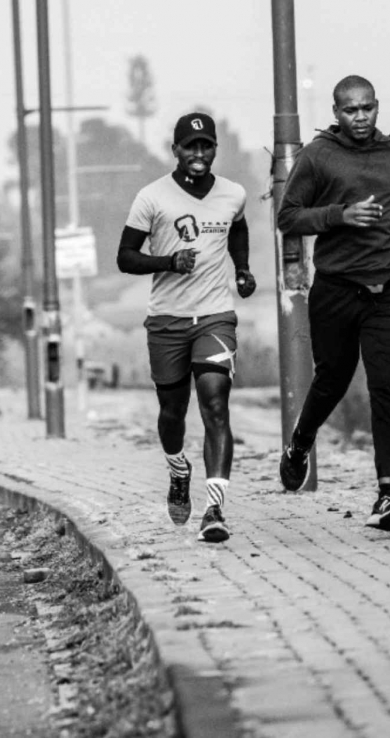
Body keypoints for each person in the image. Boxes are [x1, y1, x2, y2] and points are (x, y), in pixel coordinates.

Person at [276, 76, 390, 531]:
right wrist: (340, 216)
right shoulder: (318, 156)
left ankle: (388, 494)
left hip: (388, 290)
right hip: (336, 291)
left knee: (386, 385)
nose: (360, 117)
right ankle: (300, 442)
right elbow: (288, 216)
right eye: (351, 110)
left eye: (367, 109)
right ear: (336, 112)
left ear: (377, 108)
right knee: (332, 379)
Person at [118, 112, 255, 543]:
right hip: (167, 321)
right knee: (172, 413)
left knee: (215, 403)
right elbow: (125, 257)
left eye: (206, 146)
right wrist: (168, 262)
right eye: (190, 146)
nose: (199, 154)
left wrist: (244, 270)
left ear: (215, 149)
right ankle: (179, 469)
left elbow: (238, 229)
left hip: (215, 315)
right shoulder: (151, 197)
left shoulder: (233, 194)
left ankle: (214, 508)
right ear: (175, 150)